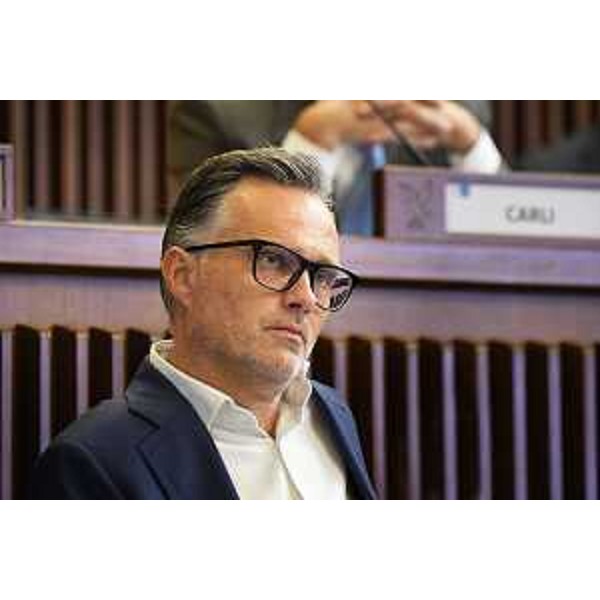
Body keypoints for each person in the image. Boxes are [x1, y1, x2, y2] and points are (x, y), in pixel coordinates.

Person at [30, 147, 376, 500]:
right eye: (273, 260)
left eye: (324, 276)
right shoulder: (92, 462)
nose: (306, 298)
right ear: (182, 276)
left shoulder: (332, 413)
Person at [168, 100, 503, 234]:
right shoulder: (217, 113)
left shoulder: (461, 111)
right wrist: (308, 145)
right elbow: (201, 242)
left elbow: (516, 255)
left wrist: (471, 147)